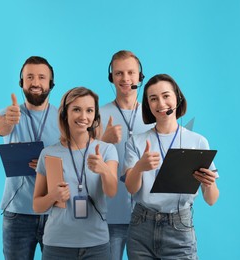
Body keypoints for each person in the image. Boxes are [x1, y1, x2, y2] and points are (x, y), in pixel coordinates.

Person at [124, 74, 220, 259]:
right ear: (148, 105)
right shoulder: (136, 141)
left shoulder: (197, 141)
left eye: (166, 96)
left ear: (177, 97)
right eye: (153, 99)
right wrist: (140, 167)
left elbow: (211, 199)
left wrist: (209, 184)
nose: (161, 103)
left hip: (179, 227)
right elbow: (130, 187)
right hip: (141, 226)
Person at [33, 87, 118, 259]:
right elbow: (37, 205)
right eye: (76, 109)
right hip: (57, 245)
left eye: (89, 110)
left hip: (97, 245)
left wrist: (104, 170)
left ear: (95, 116)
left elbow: (111, 191)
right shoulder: (48, 153)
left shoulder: (107, 150)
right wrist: (53, 196)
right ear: (65, 114)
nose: (83, 116)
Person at [0, 56, 59, 260]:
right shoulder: (9, 113)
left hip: (55, 213)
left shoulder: (63, 118)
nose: (36, 83)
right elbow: (0, 126)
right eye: (29, 77)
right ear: (22, 82)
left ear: (51, 83)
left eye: (41, 77)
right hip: (17, 215)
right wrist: (7, 119)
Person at [100, 50, 152, 260]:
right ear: (111, 77)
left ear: (140, 77)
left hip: (147, 217)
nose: (125, 78)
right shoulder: (97, 115)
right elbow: (81, 162)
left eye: (131, 72)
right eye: (119, 73)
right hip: (109, 216)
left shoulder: (154, 116)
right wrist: (103, 141)